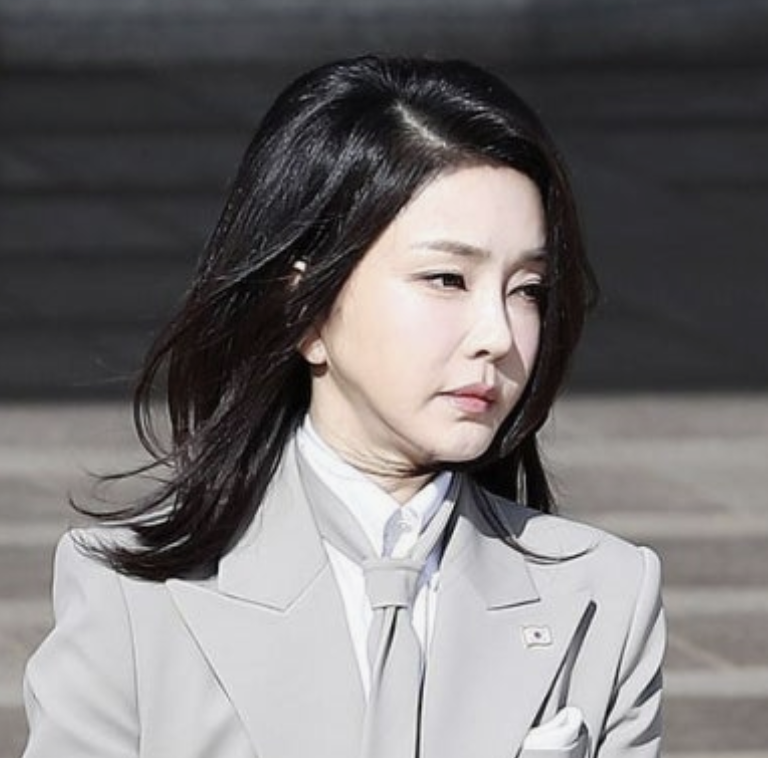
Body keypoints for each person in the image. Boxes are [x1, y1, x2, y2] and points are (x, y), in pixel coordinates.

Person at [22, 55, 664, 758]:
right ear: (306, 305)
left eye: (527, 289)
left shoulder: (605, 596)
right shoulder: (133, 594)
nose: (499, 335)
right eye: (447, 279)